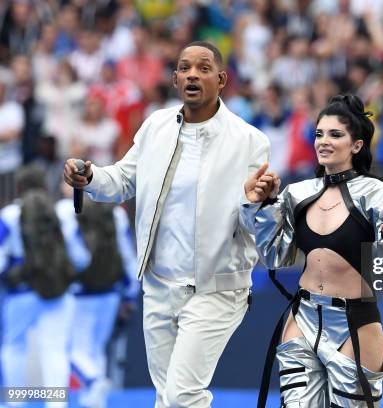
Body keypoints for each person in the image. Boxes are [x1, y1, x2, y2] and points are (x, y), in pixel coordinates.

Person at [63, 41, 271, 407]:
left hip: (216, 290)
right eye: (184, 68)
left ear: (221, 79)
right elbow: (122, 181)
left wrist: (257, 202)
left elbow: (256, 223)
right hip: (158, 286)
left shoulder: (250, 141)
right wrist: (91, 177)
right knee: (167, 397)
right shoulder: (155, 126)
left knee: (182, 395)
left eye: (203, 68)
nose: (193, 74)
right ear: (175, 79)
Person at [241, 94, 383, 408]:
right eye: (319, 134)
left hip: (354, 321)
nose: (324, 141)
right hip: (303, 316)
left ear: (357, 145)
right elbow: (274, 256)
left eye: (335, 134)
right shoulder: (296, 193)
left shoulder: (376, 193)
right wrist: (262, 205)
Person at [0, 165, 91, 408]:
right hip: (58, 293)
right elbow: (81, 257)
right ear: (45, 186)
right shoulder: (62, 213)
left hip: (20, 292)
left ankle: (15, 404)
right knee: (55, 350)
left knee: (14, 347)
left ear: (18, 188)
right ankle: (56, 404)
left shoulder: (9, 215)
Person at [62, 192, 139, 408]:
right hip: (111, 291)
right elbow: (127, 256)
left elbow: (74, 255)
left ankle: (93, 381)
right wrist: (130, 293)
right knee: (97, 348)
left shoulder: (69, 212)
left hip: (80, 293)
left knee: (72, 350)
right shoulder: (116, 214)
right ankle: (96, 401)